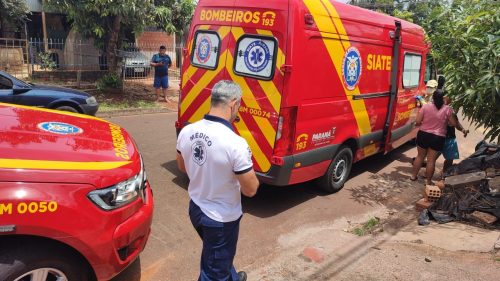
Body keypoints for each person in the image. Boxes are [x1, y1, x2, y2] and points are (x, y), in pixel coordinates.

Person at [176, 80, 260, 281]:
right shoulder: (235, 143)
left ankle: (231, 275)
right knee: (213, 273)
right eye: (239, 106)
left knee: (216, 255)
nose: (238, 110)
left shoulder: (187, 131)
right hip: (220, 219)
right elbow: (250, 189)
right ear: (233, 104)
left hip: (196, 209)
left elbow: (182, 166)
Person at [411, 89, 457, 185]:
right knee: (431, 161)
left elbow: (418, 121)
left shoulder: (426, 106)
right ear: (443, 97)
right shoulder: (447, 109)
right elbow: (453, 124)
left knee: (419, 157)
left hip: (423, 134)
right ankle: (428, 181)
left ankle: (413, 176)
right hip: (438, 137)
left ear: (433, 97)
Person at [442, 96, 469, 175]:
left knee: (450, 158)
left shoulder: (451, 110)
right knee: (432, 158)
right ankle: (428, 176)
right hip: (439, 137)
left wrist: (463, 130)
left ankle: (445, 174)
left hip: (449, 137)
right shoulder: (436, 108)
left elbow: (456, 123)